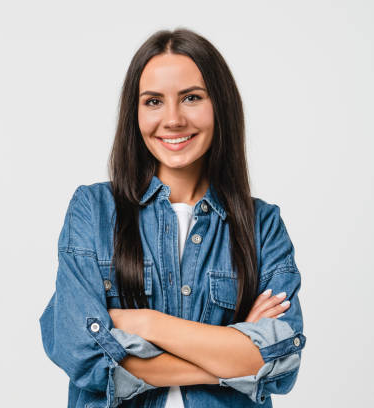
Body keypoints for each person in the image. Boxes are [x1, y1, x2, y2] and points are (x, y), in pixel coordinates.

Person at [39, 27, 306, 408]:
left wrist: (144, 323)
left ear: (220, 105)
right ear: (135, 113)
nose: (173, 119)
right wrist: (234, 356)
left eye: (191, 98)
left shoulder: (262, 225)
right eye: (153, 102)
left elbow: (282, 358)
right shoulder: (93, 210)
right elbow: (83, 354)